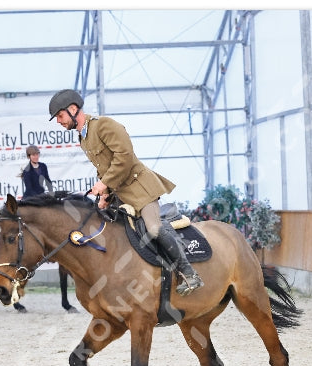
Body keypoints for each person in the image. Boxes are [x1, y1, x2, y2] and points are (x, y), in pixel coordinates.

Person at [48, 89, 203, 296]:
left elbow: (125, 157)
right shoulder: (83, 137)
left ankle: (189, 272)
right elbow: (105, 167)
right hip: (120, 195)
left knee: (154, 229)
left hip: (141, 190)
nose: (59, 121)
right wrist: (105, 194)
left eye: (60, 116)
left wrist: (104, 183)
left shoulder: (103, 125)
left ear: (73, 109)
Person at [12, 145, 77, 314]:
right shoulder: (27, 170)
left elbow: (47, 182)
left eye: (37, 154)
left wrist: (51, 194)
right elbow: (31, 188)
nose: (36, 156)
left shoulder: (43, 166)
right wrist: (42, 199)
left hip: (43, 197)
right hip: (32, 199)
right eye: (33, 154)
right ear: (29, 156)